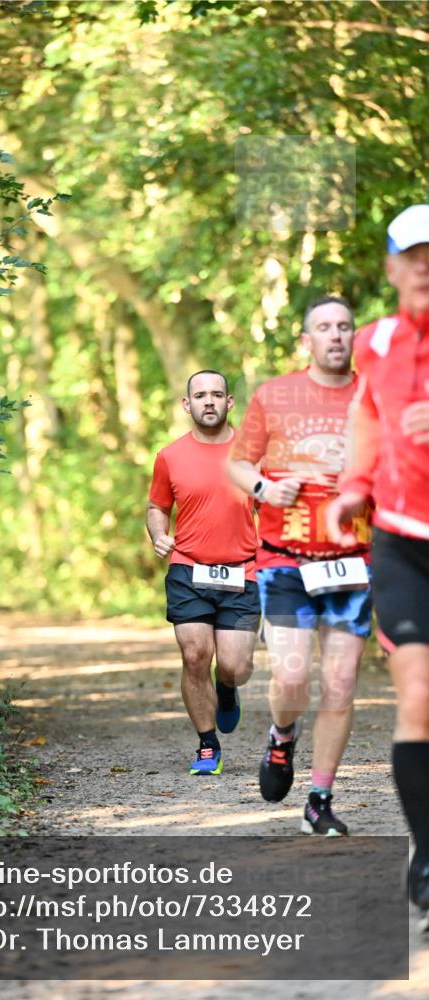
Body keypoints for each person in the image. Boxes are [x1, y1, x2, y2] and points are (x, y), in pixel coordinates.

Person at [227, 296, 372, 835]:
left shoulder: (372, 396)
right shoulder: (276, 394)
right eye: (324, 328)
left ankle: (319, 798)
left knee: (340, 681)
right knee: (292, 677)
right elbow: (238, 462)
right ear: (306, 340)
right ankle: (282, 736)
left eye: (344, 327)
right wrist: (267, 487)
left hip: (352, 558)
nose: (336, 335)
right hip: (285, 558)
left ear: (353, 337)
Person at [326, 204, 429, 925]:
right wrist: (353, 488)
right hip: (400, 540)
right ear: (391, 267)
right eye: (412, 254)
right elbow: (364, 416)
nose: (425, 266)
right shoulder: (375, 344)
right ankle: (427, 855)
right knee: (417, 690)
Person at [146, 370, 260, 776]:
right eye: (200, 395)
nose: (208, 401)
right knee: (195, 654)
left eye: (216, 394)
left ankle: (226, 688)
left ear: (229, 402)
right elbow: (157, 506)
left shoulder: (254, 453)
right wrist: (159, 534)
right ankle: (207, 745)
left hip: (243, 572)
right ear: (186, 404)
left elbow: (277, 508)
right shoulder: (169, 456)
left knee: (235, 666)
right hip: (189, 569)